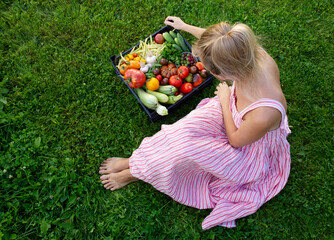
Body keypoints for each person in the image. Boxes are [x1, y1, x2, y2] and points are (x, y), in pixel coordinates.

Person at [99, 16, 291, 230]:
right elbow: (220, 43)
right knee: (180, 131)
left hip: (248, 146)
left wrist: (226, 99)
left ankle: (133, 173)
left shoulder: (264, 113)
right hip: (235, 114)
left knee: (187, 149)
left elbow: (236, 141)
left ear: (225, 74)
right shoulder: (251, 54)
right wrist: (184, 27)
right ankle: (137, 163)